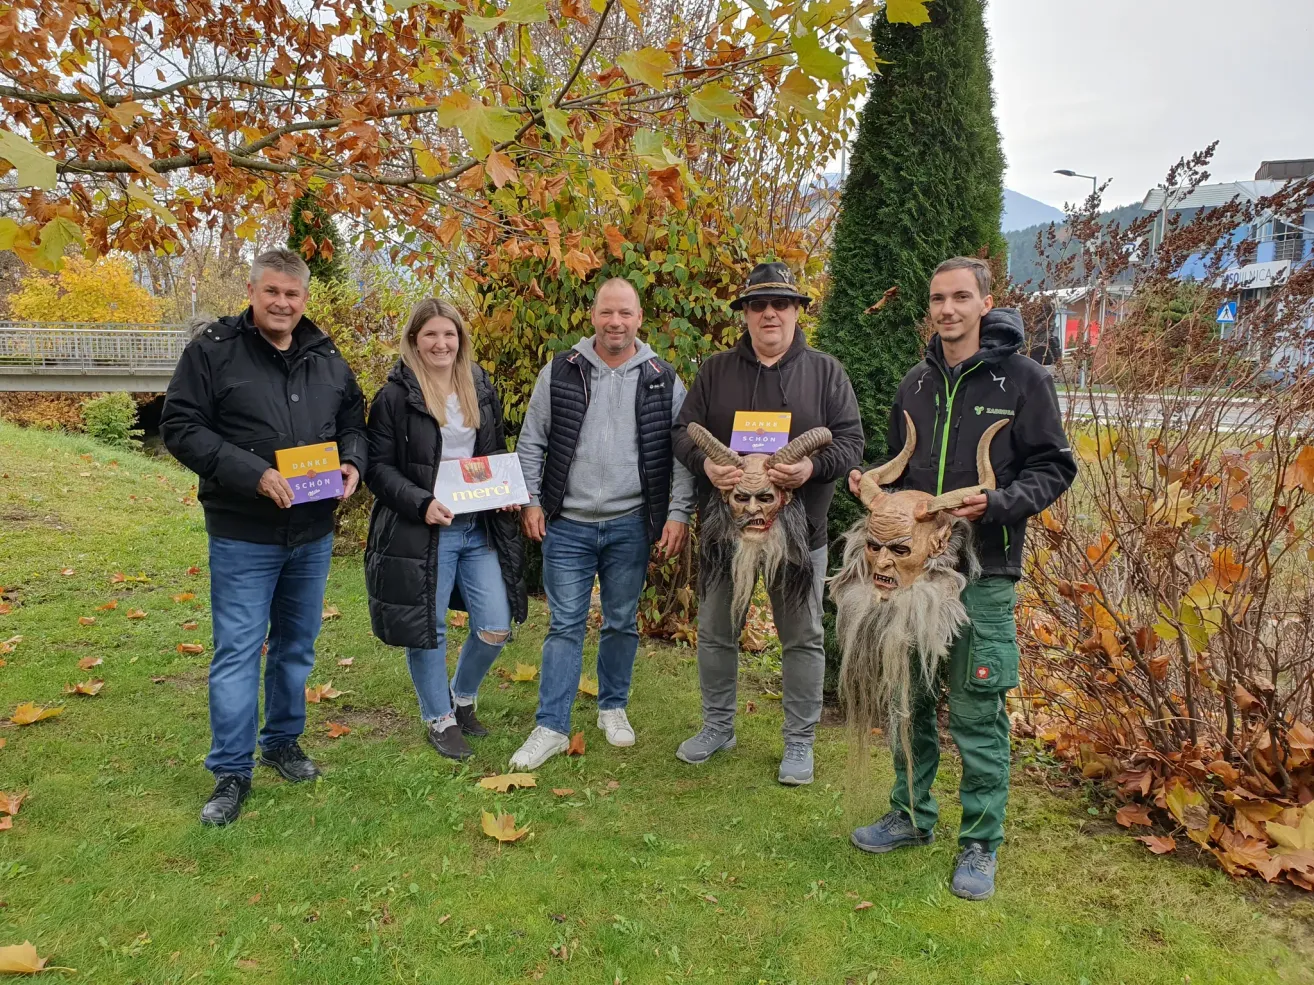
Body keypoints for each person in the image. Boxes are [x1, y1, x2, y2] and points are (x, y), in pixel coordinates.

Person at [845, 256, 1076, 900]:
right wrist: (871, 485)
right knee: (907, 696)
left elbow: (1055, 468)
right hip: (913, 575)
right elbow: (903, 469)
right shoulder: (916, 384)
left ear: (984, 302)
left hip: (984, 569)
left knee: (977, 711)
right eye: (938, 298)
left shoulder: (1023, 380)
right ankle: (912, 815)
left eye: (960, 298)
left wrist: (997, 505)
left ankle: (980, 842)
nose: (947, 309)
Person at [160, 247, 367, 827]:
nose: (282, 303)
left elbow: (355, 418)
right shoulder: (213, 351)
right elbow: (179, 426)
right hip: (244, 533)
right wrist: (254, 474)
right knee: (237, 652)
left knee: (296, 648)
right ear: (251, 291)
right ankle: (231, 770)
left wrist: (353, 460)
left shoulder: (325, 354)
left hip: (313, 531)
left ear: (305, 298)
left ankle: (282, 743)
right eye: (271, 291)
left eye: (292, 294)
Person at [672, 261, 864, 785]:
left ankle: (799, 741)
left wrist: (811, 467)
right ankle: (717, 726)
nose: (770, 313)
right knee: (714, 631)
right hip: (724, 530)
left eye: (781, 304)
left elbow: (850, 443)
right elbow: (681, 433)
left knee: (802, 636)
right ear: (747, 315)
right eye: (759, 305)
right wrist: (704, 463)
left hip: (800, 533)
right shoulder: (715, 371)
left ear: (798, 311)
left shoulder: (826, 373)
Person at [509, 277, 697, 770]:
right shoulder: (562, 371)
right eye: (607, 313)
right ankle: (550, 726)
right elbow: (532, 442)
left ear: (639, 319)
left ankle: (613, 707)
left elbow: (681, 455)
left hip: (630, 523)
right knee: (565, 624)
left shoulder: (662, 377)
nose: (616, 322)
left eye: (626, 314)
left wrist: (677, 512)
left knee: (619, 621)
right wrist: (530, 500)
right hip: (566, 523)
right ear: (593, 316)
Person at [363, 299, 526, 760]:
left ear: (461, 339)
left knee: (495, 625)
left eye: (449, 334)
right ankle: (438, 717)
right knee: (427, 628)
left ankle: (462, 696)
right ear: (414, 339)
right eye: (431, 334)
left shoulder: (478, 385)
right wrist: (421, 503)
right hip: (424, 529)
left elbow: (491, 455)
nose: (441, 343)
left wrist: (505, 491)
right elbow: (377, 468)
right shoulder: (395, 396)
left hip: (478, 527)